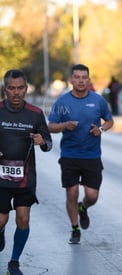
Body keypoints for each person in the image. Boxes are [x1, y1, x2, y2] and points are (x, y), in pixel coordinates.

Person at [48, 64, 114, 244]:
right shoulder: (62, 102)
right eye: (76, 77)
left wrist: (100, 129)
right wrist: (64, 125)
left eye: (84, 77)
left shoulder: (98, 101)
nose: (80, 80)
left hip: (92, 156)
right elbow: (50, 126)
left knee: (92, 195)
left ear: (89, 80)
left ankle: (83, 208)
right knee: (72, 192)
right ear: (71, 80)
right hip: (69, 155)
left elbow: (109, 121)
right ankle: (75, 228)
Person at [0, 69, 52, 275]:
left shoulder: (35, 114)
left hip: (25, 178)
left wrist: (42, 142)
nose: (16, 92)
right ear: (5, 89)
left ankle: (14, 261)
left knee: (23, 219)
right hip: (1, 178)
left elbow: (48, 142)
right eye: (11, 88)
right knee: (1, 220)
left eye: (20, 88)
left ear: (26, 89)